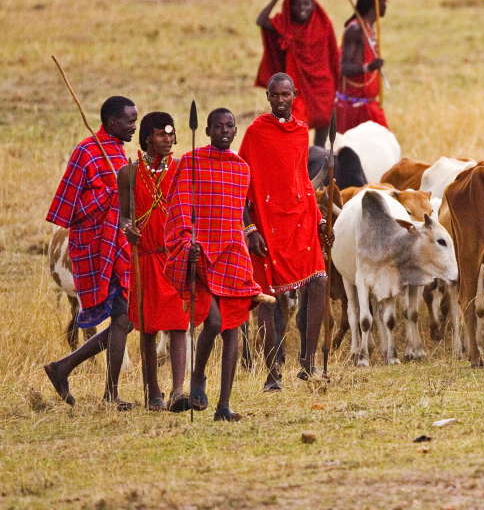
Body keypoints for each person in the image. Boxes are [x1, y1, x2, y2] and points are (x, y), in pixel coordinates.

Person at [164, 108, 271, 422]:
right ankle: (197, 378)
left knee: (233, 328)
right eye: (218, 126)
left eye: (230, 126)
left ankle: (224, 406)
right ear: (207, 130)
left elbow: (237, 214)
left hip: (232, 254)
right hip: (199, 254)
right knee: (212, 321)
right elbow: (181, 208)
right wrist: (188, 242)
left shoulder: (241, 169)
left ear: (235, 131)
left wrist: (247, 236)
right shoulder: (191, 163)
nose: (225, 131)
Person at [239, 73, 333, 390]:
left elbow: (302, 181)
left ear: (294, 95)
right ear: (268, 97)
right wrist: (250, 227)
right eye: (275, 95)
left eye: (285, 95)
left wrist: (319, 218)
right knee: (267, 299)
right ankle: (272, 373)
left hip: (300, 219)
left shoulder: (302, 132)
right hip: (266, 223)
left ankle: (307, 363)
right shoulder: (255, 133)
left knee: (319, 281)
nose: (280, 100)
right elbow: (242, 184)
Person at [44, 96, 137, 409]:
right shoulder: (87, 151)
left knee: (126, 319)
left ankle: (64, 369)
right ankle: (102, 390)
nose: (134, 127)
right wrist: (107, 201)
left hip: (117, 246)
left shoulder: (117, 152)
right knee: (124, 320)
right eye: (129, 122)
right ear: (112, 122)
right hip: (93, 247)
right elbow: (68, 207)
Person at [117, 112, 190, 413]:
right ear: (147, 137)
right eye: (161, 134)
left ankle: (178, 390)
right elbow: (123, 215)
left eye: (171, 134)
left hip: (173, 257)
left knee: (178, 325)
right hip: (145, 258)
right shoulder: (128, 173)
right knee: (147, 328)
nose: (168, 139)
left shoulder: (182, 169)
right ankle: (153, 392)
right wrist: (127, 229)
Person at [256, 0, 341, 148]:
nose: (303, 8)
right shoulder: (286, 26)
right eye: (298, 4)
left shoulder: (323, 25)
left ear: (313, 6)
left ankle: (318, 164)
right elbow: (262, 20)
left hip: (322, 87)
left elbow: (333, 55)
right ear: (290, 7)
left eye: (307, 3)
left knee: (322, 136)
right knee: (295, 130)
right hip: (298, 87)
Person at [336, 0, 388, 132]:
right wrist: (369, 67)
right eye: (385, 1)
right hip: (354, 110)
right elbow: (344, 68)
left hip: (369, 106)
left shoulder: (369, 29)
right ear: (377, 3)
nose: (386, 6)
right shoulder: (355, 29)